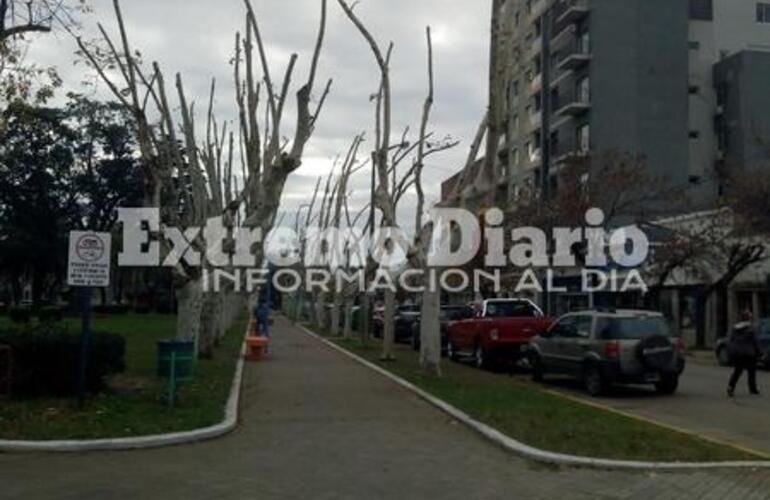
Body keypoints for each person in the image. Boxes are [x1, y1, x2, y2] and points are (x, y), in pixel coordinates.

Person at [727, 310, 761, 397]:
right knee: (751, 372)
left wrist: (731, 351)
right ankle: (752, 389)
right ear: (749, 319)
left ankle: (730, 387)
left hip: (738, 353)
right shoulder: (751, 329)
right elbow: (755, 342)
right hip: (749, 353)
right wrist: (759, 352)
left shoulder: (735, 328)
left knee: (737, 371)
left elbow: (731, 341)